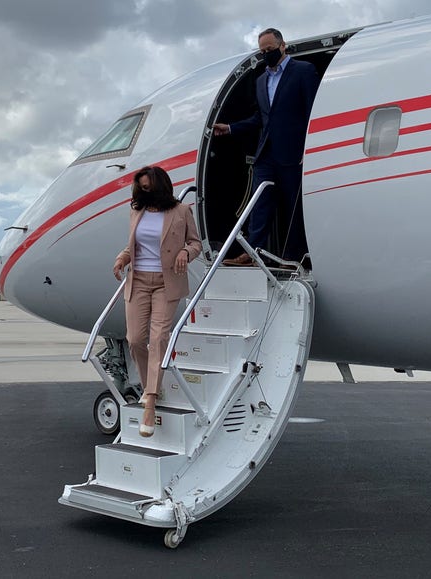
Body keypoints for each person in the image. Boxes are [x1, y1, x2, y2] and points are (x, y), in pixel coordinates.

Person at [212, 27, 320, 266]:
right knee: (259, 204)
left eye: (270, 49)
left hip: (293, 153)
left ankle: (293, 256)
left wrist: (308, 147)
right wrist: (230, 128)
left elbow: (312, 111)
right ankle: (253, 253)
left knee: (293, 206)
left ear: (283, 46)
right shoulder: (261, 81)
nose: (266, 54)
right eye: (262, 51)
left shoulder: (303, 71)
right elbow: (261, 118)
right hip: (266, 153)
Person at [112, 165, 202, 437]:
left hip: (167, 282)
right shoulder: (136, 211)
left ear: (161, 185)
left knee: (159, 337)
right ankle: (154, 384)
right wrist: (121, 258)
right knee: (135, 339)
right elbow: (134, 245)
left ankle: (150, 399)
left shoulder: (181, 211)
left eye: (148, 186)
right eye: (141, 187)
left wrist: (186, 252)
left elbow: (196, 242)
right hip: (138, 281)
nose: (144, 191)